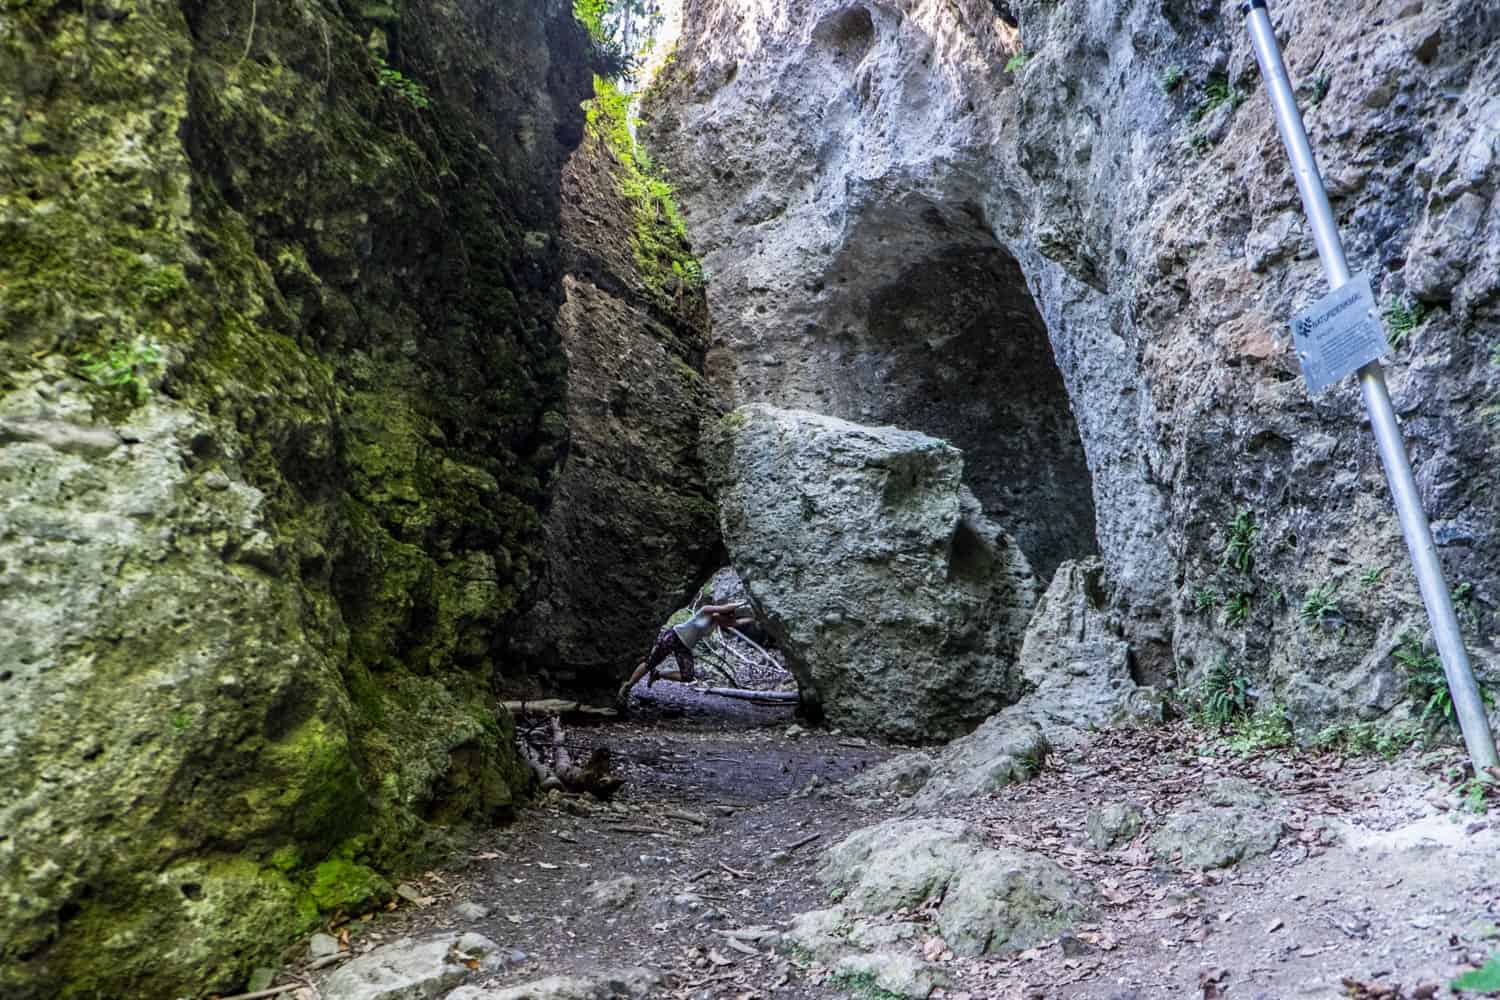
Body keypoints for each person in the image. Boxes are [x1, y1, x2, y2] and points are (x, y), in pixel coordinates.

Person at [618, 602, 754, 702]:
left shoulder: (717, 622)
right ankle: (628, 685)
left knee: (688, 676)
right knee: (650, 663)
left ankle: (658, 675)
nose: (727, 622)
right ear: (720, 614)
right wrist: (745, 602)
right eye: (727, 618)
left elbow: (737, 623)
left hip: (684, 647)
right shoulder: (706, 611)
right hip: (673, 636)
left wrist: (756, 617)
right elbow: (725, 608)